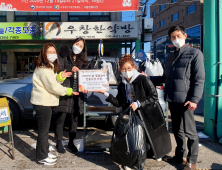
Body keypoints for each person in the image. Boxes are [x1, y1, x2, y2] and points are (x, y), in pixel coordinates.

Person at [94, 55, 171, 170]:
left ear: (134, 67)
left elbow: (153, 96)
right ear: (120, 70)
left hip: (147, 114)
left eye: (129, 68)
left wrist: (138, 103)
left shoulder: (143, 79)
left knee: (150, 139)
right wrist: (105, 93)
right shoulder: (122, 85)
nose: (126, 71)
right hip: (131, 115)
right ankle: (132, 162)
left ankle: (155, 154)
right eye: (124, 69)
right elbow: (119, 102)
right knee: (133, 140)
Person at [147, 26, 205, 170]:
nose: (176, 39)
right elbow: (164, 78)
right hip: (172, 98)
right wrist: (147, 78)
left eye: (178, 36)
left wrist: (195, 99)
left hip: (187, 100)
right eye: (173, 37)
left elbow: (199, 79)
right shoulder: (170, 57)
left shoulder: (195, 53)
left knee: (190, 132)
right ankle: (180, 155)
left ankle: (191, 162)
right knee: (177, 130)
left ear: (185, 35)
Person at [30, 43, 81, 165]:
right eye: (49, 52)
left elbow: (53, 80)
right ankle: (41, 157)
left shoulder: (48, 67)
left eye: (54, 52)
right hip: (42, 103)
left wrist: (61, 76)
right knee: (43, 131)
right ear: (43, 53)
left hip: (45, 102)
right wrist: (69, 91)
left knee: (45, 130)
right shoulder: (43, 68)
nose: (52, 54)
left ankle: (44, 153)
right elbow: (53, 87)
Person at [54, 38, 88, 154]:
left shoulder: (83, 61)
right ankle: (58, 142)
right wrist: (70, 69)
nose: (78, 47)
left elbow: (86, 76)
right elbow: (58, 70)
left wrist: (86, 86)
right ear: (72, 44)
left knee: (74, 119)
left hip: (78, 93)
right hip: (65, 90)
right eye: (77, 44)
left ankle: (71, 142)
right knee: (61, 117)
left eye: (81, 46)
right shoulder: (63, 56)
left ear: (83, 49)